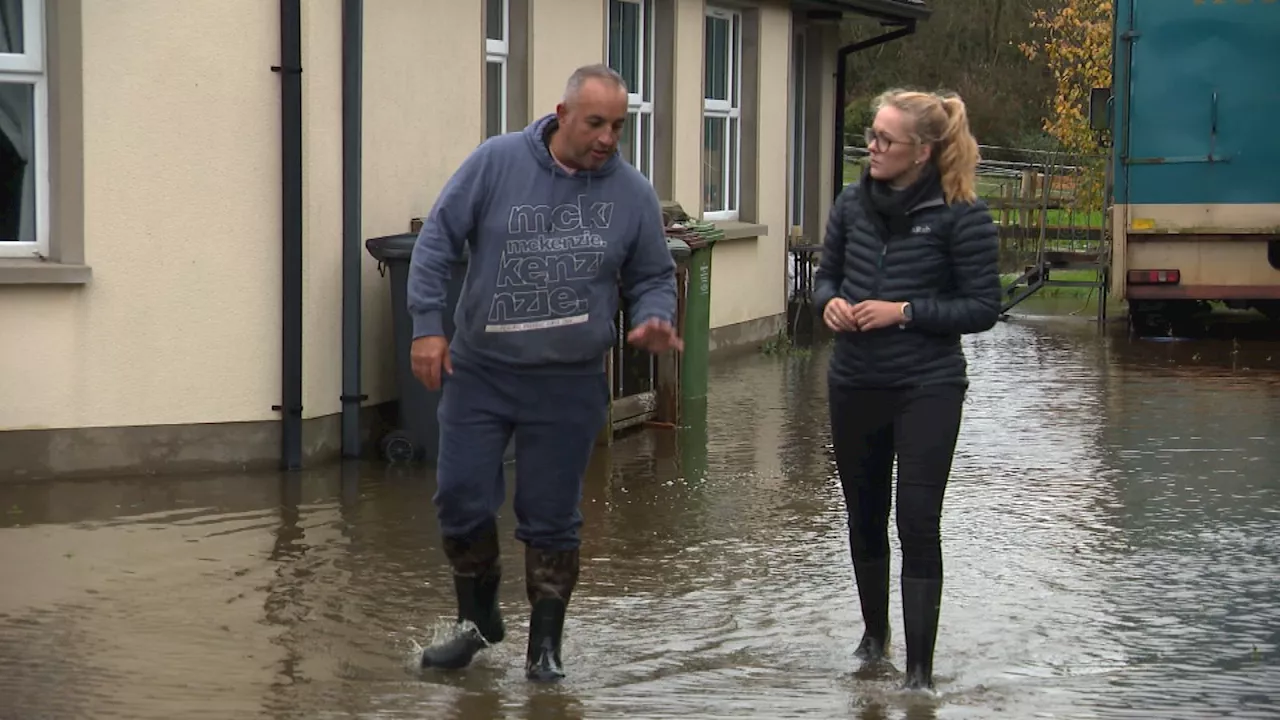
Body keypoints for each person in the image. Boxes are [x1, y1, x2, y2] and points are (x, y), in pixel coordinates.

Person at [405, 64, 682, 682]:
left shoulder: (631, 193)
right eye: (595, 124)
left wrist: (655, 315)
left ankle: (544, 648)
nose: (608, 138)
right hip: (482, 372)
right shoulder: (497, 163)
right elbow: (438, 241)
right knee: (461, 497)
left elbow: (653, 274)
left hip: (569, 381)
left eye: (619, 125)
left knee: (551, 515)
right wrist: (427, 325)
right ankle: (476, 624)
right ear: (562, 115)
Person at [813, 88, 1000, 691]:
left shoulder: (962, 213)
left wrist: (905, 310)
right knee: (863, 517)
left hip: (927, 385)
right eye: (872, 134)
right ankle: (874, 641)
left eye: (885, 139)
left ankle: (919, 673)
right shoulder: (849, 203)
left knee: (917, 520)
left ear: (921, 151)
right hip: (854, 381)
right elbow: (825, 278)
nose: (871, 146)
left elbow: (983, 307)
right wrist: (832, 306)